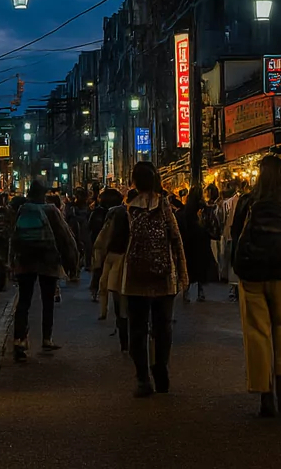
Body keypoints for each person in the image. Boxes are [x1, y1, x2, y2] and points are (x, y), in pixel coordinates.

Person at [230, 155, 281, 417]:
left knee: (257, 330)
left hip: (252, 273)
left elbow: (235, 235)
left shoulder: (248, 200)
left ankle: (264, 390)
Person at [113, 161, 188, 397]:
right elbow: (175, 239)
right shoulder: (164, 204)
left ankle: (143, 378)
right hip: (163, 277)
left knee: (137, 328)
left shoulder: (127, 208)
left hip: (134, 278)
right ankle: (161, 370)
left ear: (134, 181)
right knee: (162, 327)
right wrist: (183, 273)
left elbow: (118, 244)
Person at [9, 179, 78, 361]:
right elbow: (64, 236)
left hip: (24, 261)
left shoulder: (22, 210)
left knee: (24, 300)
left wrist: (11, 262)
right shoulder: (51, 211)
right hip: (48, 259)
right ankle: (47, 338)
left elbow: (13, 237)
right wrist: (72, 261)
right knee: (48, 300)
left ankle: (19, 339)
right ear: (43, 194)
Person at [92, 190, 130, 351]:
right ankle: (124, 333)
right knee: (120, 295)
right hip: (123, 257)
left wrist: (97, 259)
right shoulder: (128, 214)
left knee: (109, 288)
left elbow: (100, 239)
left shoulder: (111, 214)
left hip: (111, 255)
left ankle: (113, 320)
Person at [176, 189, 220, 301]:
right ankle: (200, 292)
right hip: (201, 242)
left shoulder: (186, 210)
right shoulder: (203, 208)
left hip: (189, 243)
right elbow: (209, 224)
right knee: (201, 268)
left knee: (190, 267)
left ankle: (186, 291)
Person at [87, 188, 117, 299]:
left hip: (98, 243)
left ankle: (96, 290)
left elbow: (90, 226)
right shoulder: (116, 212)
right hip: (112, 245)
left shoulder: (97, 211)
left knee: (98, 267)